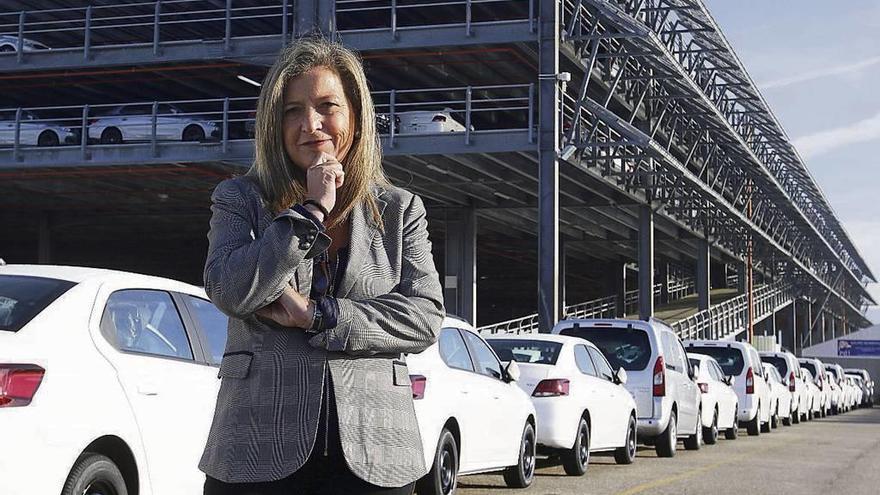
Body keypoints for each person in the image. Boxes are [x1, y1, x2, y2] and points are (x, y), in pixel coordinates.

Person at [199, 36, 444, 495]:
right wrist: (311, 211)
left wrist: (318, 316)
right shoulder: (239, 198)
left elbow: (424, 317)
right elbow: (232, 290)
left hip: (377, 452)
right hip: (256, 447)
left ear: (355, 115)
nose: (311, 124)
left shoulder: (399, 210)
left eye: (327, 106)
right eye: (292, 110)